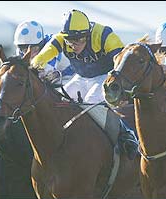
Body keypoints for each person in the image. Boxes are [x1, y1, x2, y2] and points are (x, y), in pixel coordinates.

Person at [31, 9, 139, 159]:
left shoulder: (105, 35)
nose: (74, 45)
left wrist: (121, 89)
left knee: (89, 104)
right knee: (58, 101)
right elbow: (39, 59)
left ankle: (127, 134)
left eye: (80, 40)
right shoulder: (61, 39)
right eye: (70, 40)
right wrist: (33, 69)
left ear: (88, 35)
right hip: (80, 77)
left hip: (104, 77)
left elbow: (122, 64)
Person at [0, 20, 74, 199]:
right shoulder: (21, 59)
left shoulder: (53, 52)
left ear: (42, 44)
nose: (28, 51)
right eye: (22, 47)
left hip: (73, 87)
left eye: (33, 47)